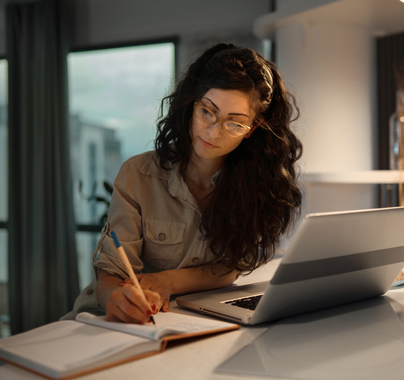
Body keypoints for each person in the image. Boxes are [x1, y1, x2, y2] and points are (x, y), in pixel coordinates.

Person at [63, 43, 303, 324]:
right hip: (108, 320)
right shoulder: (138, 174)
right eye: (207, 112)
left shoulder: (256, 185)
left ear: (253, 129)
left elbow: (232, 265)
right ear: (192, 102)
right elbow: (111, 273)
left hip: (188, 318)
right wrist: (116, 298)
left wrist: (169, 282)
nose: (214, 132)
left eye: (235, 124)